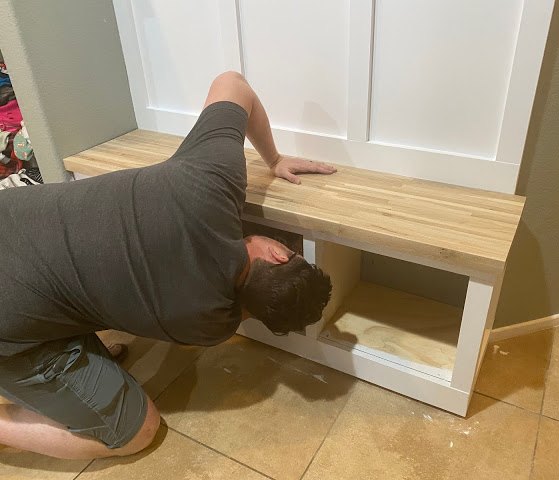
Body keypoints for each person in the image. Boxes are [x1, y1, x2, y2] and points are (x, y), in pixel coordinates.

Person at [0, 71, 335, 459]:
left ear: (279, 255)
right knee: (137, 431)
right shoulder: (210, 326)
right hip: (10, 319)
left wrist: (273, 159)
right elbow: (234, 311)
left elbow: (233, 83)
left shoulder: (211, 181)